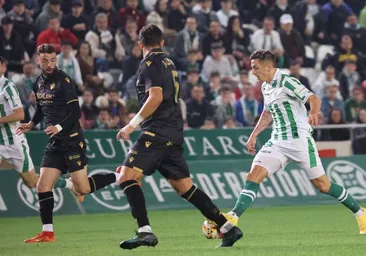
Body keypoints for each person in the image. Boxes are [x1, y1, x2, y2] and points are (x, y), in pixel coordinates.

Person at [115, 24, 241, 250]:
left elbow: (155, 97)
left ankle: (145, 231)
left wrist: (131, 125)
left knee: (126, 177)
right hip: (173, 130)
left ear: (140, 44)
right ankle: (227, 228)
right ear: (162, 42)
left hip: (157, 130)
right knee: (185, 187)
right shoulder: (170, 63)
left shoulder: (149, 63)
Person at [223, 50, 366, 245]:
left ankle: (360, 214)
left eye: (255, 67)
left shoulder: (287, 81)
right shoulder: (266, 86)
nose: (252, 71)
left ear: (268, 67)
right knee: (253, 176)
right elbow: (268, 112)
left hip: (299, 141)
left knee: (323, 185)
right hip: (278, 141)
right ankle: (233, 216)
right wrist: (254, 134)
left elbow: (314, 98)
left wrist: (314, 113)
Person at [17, 44, 120, 243]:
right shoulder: (37, 83)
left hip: (72, 141)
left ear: (57, 60)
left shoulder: (64, 81)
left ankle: (119, 175)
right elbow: (41, 108)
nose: (49, 64)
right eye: (45, 60)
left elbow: (74, 113)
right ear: (38, 60)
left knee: (83, 189)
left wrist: (58, 127)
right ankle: (48, 232)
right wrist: (31, 123)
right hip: (55, 143)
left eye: (52, 60)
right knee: (42, 185)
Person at [0, 56, 78, 195]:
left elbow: (20, 115)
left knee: (32, 182)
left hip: (13, 142)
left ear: (3, 67)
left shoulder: (8, 87)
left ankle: (67, 183)